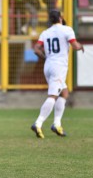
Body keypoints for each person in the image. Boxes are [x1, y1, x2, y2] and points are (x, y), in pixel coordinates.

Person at [30, 10, 84, 139]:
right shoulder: (67, 30)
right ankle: (38, 123)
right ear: (61, 17)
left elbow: (36, 49)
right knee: (53, 95)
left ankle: (57, 124)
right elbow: (75, 45)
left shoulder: (45, 32)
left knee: (64, 93)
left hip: (48, 65)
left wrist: (45, 57)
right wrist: (81, 46)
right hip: (58, 67)